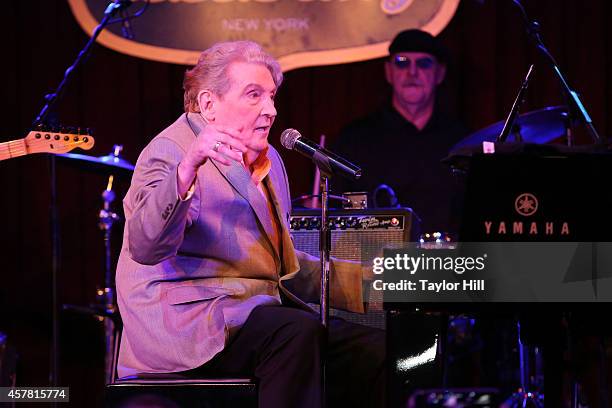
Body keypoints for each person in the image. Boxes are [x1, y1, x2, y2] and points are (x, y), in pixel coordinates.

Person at [115, 41, 384, 408]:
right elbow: (145, 245)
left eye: (272, 97)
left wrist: (382, 285)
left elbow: (284, 271)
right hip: (190, 327)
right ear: (209, 104)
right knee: (295, 332)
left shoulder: (268, 157)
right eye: (254, 95)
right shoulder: (172, 150)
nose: (270, 110)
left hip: (252, 317)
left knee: (373, 348)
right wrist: (187, 169)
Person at [332, 29, 469, 235]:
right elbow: (338, 214)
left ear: (440, 73)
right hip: (374, 261)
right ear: (388, 72)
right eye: (402, 62)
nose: (412, 72)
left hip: (446, 262)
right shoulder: (354, 139)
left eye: (423, 63)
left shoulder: (463, 142)